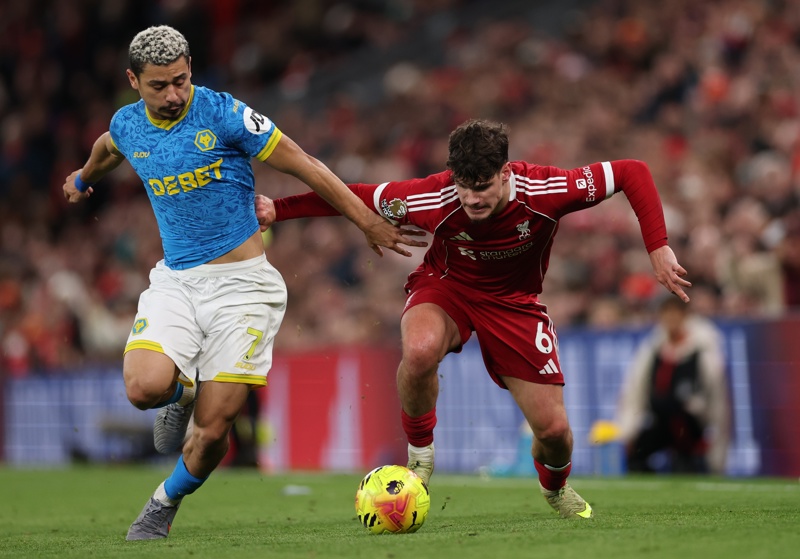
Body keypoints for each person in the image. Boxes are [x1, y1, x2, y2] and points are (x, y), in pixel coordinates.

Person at [62, 25, 424, 541]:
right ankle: (180, 394)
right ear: (133, 81)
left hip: (245, 289)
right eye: (159, 85)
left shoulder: (226, 115)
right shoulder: (127, 125)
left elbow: (304, 163)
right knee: (144, 389)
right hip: (177, 283)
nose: (173, 95)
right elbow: (107, 147)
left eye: (181, 81)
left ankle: (164, 502)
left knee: (215, 431)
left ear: (191, 70)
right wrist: (82, 178)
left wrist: (365, 219)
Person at [256, 118, 692, 519]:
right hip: (448, 287)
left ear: (506, 173)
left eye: (482, 187)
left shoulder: (547, 189)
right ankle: (421, 457)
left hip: (514, 303)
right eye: (464, 187)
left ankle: (555, 488)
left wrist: (657, 246)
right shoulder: (435, 195)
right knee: (421, 349)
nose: (471, 199)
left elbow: (632, 171)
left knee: (555, 431)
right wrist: (280, 209)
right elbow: (354, 194)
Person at [617, 297, 730, 474]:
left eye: (675, 314)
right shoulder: (653, 348)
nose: (671, 320)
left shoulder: (701, 349)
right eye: (666, 315)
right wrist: (629, 429)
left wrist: (715, 437)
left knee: (686, 465)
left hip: (690, 422)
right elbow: (635, 390)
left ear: (685, 316)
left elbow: (716, 395)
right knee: (637, 457)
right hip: (659, 420)